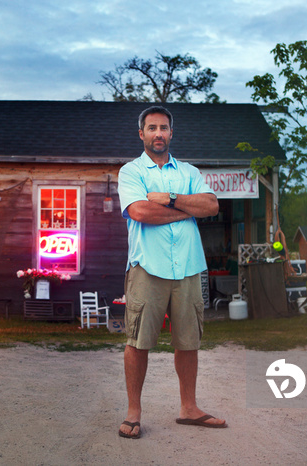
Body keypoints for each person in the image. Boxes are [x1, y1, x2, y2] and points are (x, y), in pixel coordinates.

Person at [116, 106, 226, 439]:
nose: (158, 133)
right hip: (147, 266)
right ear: (142, 134)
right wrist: (185, 211)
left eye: (164, 127)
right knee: (138, 341)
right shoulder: (131, 172)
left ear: (171, 133)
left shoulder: (189, 172)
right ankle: (134, 412)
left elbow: (211, 206)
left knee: (188, 341)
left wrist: (170, 199)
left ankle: (189, 408)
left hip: (189, 267)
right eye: (152, 128)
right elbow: (139, 211)